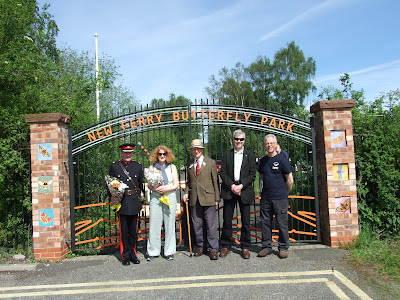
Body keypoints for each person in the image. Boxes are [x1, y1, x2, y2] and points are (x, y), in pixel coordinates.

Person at [219, 129, 256, 259]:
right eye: (236, 139)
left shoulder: (250, 155)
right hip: (230, 190)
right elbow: (222, 173)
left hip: (244, 190)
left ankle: (245, 247)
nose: (239, 141)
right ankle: (225, 245)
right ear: (232, 140)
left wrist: (241, 186)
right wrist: (232, 186)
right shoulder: (227, 154)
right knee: (227, 220)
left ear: (244, 141)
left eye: (241, 139)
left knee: (245, 221)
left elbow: (252, 175)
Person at [182, 139, 220, 260]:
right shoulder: (189, 164)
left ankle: (213, 249)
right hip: (194, 198)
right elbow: (189, 182)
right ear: (192, 150)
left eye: (198, 148)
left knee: (210, 224)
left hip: (209, 197)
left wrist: (217, 198)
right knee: (197, 224)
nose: (196, 150)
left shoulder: (211, 163)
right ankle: (200, 246)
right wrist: (186, 192)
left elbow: (215, 181)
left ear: (202, 150)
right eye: (194, 149)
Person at [257, 134, 294, 259]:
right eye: (267, 143)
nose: (269, 145)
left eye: (271, 143)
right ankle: (266, 247)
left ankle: (283, 247)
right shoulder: (262, 161)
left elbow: (290, 180)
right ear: (265, 145)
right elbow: (262, 177)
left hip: (280, 198)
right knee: (265, 223)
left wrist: (285, 193)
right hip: (266, 197)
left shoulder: (282, 160)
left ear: (275, 144)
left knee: (282, 223)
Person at [109, 143, 144, 266]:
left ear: (133, 153)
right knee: (123, 230)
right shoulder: (115, 166)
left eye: (130, 153)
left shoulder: (138, 167)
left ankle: (133, 254)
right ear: (122, 153)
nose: (128, 155)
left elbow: (141, 185)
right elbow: (110, 185)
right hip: (122, 201)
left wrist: (141, 200)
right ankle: (125, 255)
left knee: (134, 230)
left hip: (134, 201)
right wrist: (113, 197)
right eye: (125, 152)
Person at [146, 145, 179, 261]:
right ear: (156, 155)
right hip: (156, 198)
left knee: (170, 225)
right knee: (154, 224)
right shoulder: (151, 168)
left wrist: (166, 189)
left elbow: (176, 184)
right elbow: (149, 184)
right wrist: (155, 188)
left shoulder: (172, 167)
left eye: (164, 154)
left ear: (167, 155)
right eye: (160, 154)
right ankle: (153, 251)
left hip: (169, 197)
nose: (162, 156)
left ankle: (169, 251)